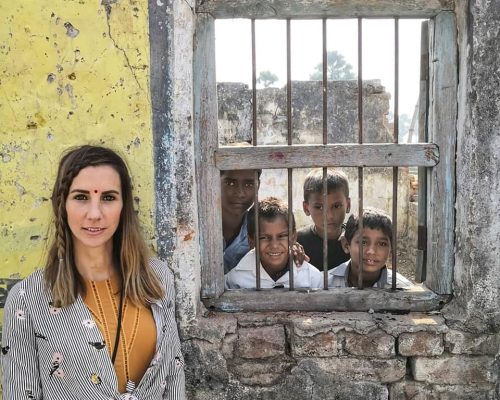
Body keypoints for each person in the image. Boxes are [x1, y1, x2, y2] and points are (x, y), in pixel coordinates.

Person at [1, 145, 185, 399]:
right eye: (81, 197)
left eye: (108, 197)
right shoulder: (28, 299)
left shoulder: (157, 279)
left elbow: (174, 380)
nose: (95, 214)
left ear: (124, 206)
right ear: (62, 205)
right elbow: (21, 393)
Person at [225, 197, 323, 289]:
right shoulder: (235, 280)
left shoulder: (312, 278)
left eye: (281, 236)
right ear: (251, 242)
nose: (274, 245)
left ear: (293, 237)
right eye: (264, 237)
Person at [221, 169, 306, 273]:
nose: (240, 193)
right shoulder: (197, 225)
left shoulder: (260, 226)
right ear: (213, 181)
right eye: (230, 183)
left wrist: (290, 247)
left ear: (258, 185)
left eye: (249, 184)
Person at [328, 208, 413, 288]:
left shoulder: (404, 290)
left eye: (382, 244)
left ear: (391, 249)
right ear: (346, 245)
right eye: (363, 242)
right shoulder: (324, 283)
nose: (371, 251)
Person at [297, 168, 351, 271]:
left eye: (336, 206)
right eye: (319, 207)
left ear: (348, 205)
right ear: (306, 208)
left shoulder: (355, 240)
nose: (329, 216)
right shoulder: (298, 241)